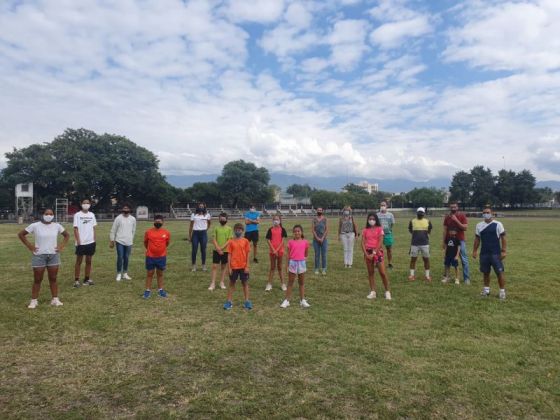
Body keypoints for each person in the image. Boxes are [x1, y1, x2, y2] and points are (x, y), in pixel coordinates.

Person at [18, 208, 70, 308]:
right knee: (37, 279)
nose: (49, 216)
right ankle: (34, 300)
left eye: (51, 214)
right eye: (47, 214)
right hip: (39, 256)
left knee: (53, 278)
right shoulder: (35, 225)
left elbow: (67, 235)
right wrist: (30, 246)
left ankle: (55, 299)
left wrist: (61, 246)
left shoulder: (57, 226)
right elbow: (21, 234)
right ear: (43, 215)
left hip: (53, 255)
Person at [473, 207, 507, 300]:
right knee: (485, 272)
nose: (486, 214)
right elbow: (477, 239)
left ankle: (502, 292)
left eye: (488, 212)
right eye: (484, 212)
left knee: (499, 272)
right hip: (484, 253)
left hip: (495, 253)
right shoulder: (479, 225)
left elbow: (503, 237)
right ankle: (486, 290)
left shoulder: (498, 224)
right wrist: (475, 250)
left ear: (492, 213)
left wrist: (503, 251)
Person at [361, 213, 391, 300]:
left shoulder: (379, 229)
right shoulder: (365, 230)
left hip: (377, 252)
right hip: (368, 252)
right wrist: (366, 254)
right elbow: (362, 242)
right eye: (370, 219)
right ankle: (373, 291)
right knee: (370, 273)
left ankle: (387, 291)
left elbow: (380, 241)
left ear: (376, 220)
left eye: (373, 219)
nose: (371, 220)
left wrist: (374, 253)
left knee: (382, 273)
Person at [280, 225, 311, 308]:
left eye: (298, 231)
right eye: (295, 231)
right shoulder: (290, 242)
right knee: (290, 282)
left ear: (301, 232)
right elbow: (288, 256)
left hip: (301, 263)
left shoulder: (305, 242)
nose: (297, 232)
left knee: (301, 282)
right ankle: (287, 300)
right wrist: (287, 266)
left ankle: (302, 300)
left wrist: (303, 260)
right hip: (292, 263)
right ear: (293, 233)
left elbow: (306, 253)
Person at [223, 223, 252, 310]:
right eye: (236, 229)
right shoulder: (231, 241)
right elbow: (229, 255)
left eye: (239, 229)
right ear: (234, 230)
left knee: (245, 283)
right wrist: (229, 267)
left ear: (242, 231)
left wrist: (247, 266)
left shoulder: (246, 241)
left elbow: (248, 254)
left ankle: (247, 301)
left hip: (243, 266)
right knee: (232, 283)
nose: (238, 231)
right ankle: (229, 301)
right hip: (234, 266)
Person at [143, 215, 170, 299]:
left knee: (160, 273)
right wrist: (151, 250)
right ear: (153, 222)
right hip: (150, 256)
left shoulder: (166, 232)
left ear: (163, 222)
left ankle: (160, 290)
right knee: (150, 273)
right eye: (156, 221)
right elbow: (145, 243)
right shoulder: (148, 232)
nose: (158, 223)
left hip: (161, 257)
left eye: (160, 221)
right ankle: (147, 291)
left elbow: (167, 243)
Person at [443, 201, 470, 284]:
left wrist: (456, 220)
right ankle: (447, 277)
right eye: (451, 207)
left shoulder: (462, 216)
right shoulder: (447, 217)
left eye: (455, 207)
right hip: (449, 241)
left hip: (460, 241)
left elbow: (465, 228)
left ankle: (466, 278)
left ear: (457, 207)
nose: (453, 208)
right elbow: (445, 230)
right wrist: (444, 242)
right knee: (447, 259)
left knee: (464, 259)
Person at [73, 198, 97, 287]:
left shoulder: (92, 215)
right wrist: (78, 240)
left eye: (87, 203)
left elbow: (94, 227)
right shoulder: (77, 215)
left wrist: (94, 239)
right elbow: (75, 228)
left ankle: (86, 279)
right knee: (79, 261)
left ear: (90, 204)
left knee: (89, 261)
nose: (86, 204)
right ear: (81, 204)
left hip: (90, 242)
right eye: (84, 203)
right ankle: (76, 280)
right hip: (81, 242)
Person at [109, 203, 136, 281]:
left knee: (126, 257)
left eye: (127, 208)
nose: (126, 210)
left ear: (130, 209)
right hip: (119, 241)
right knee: (120, 257)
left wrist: (131, 239)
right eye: (124, 208)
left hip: (129, 241)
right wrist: (112, 240)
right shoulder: (118, 218)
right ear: (122, 209)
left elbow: (133, 230)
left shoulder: (133, 219)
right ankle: (118, 273)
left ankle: (125, 273)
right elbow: (113, 230)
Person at [408, 207, 433, 282]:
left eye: (421, 213)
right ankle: (412, 275)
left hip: (425, 244)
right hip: (414, 244)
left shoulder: (428, 221)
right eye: (419, 213)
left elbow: (429, 229)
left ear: (424, 214)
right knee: (413, 259)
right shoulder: (412, 221)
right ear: (417, 213)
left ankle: (427, 276)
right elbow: (410, 229)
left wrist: (425, 235)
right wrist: (415, 234)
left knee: (426, 259)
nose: (420, 214)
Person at [209, 212, 232, 291]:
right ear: (219, 219)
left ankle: (221, 282)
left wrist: (221, 248)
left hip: (225, 251)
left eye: (224, 219)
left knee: (223, 266)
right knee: (215, 266)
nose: (222, 220)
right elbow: (213, 239)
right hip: (216, 250)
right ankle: (213, 283)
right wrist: (218, 248)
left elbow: (229, 240)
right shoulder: (216, 228)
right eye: (221, 219)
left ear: (226, 219)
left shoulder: (229, 229)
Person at [265, 214, 288, 291]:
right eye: (274, 219)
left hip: (280, 251)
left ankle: (283, 284)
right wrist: (273, 250)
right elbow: (268, 240)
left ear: (280, 220)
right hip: (272, 252)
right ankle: (269, 284)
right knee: (272, 267)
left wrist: (277, 250)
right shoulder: (270, 229)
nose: (276, 221)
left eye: (277, 219)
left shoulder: (283, 230)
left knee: (280, 268)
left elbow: (283, 241)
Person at [189, 202, 211, 272]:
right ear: (197, 207)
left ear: (204, 207)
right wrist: (190, 236)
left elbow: (209, 223)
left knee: (203, 250)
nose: (201, 207)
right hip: (195, 234)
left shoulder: (207, 215)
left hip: (203, 233)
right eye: (200, 206)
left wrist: (206, 229)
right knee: (194, 250)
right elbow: (191, 226)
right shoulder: (193, 214)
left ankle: (203, 266)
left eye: (202, 206)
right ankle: (194, 266)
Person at [377, 201, 395, 269]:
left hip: (388, 234)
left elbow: (392, 223)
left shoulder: (390, 215)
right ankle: (378, 262)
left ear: (386, 206)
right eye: (381, 205)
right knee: (378, 249)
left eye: (384, 205)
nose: (382, 206)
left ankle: (390, 263)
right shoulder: (377, 215)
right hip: (379, 235)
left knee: (389, 249)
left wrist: (389, 230)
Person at [312, 207, 328, 275]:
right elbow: (313, 230)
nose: (319, 211)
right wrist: (317, 238)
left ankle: (324, 269)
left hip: (324, 240)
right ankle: (316, 269)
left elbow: (327, 229)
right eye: (318, 210)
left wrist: (322, 238)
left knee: (324, 255)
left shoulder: (325, 219)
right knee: (317, 255)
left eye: (320, 210)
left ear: (322, 211)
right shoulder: (314, 219)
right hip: (316, 240)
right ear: (316, 211)